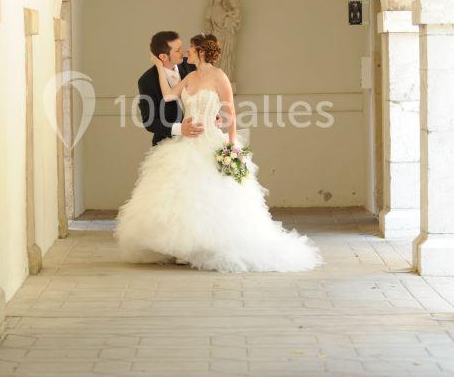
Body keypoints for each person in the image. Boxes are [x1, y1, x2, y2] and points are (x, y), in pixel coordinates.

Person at [115, 33, 322, 273]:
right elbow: (168, 96)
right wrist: (159, 68)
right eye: (180, 50)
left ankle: (207, 246)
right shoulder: (184, 75)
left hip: (210, 140)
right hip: (183, 141)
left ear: (200, 52)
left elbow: (230, 112)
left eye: (188, 49)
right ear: (164, 56)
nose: (184, 54)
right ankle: (182, 247)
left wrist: (232, 144)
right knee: (183, 195)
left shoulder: (216, 75)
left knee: (212, 196)